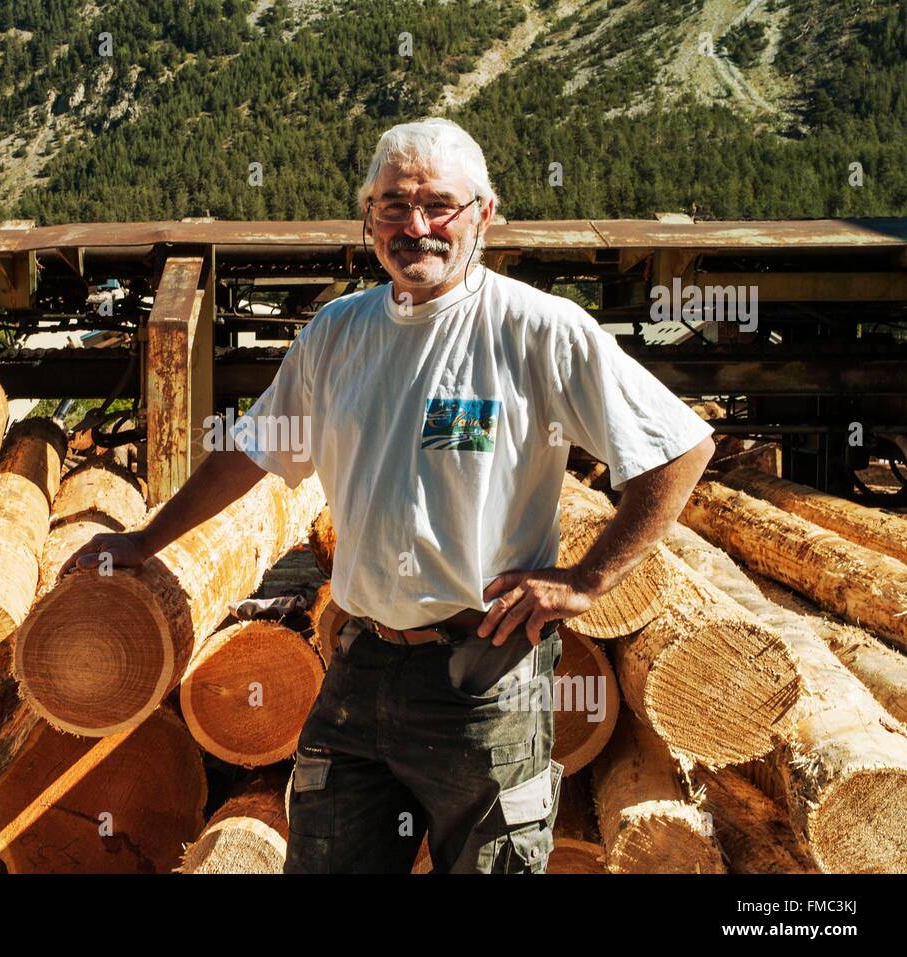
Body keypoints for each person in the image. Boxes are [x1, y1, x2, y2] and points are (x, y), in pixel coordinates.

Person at [64, 117, 716, 873]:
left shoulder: (535, 329)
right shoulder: (338, 333)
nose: (416, 226)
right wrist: (143, 541)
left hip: (483, 674)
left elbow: (680, 447)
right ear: (368, 218)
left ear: (484, 214)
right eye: (393, 206)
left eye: (439, 204)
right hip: (360, 664)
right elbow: (249, 450)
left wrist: (588, 580)